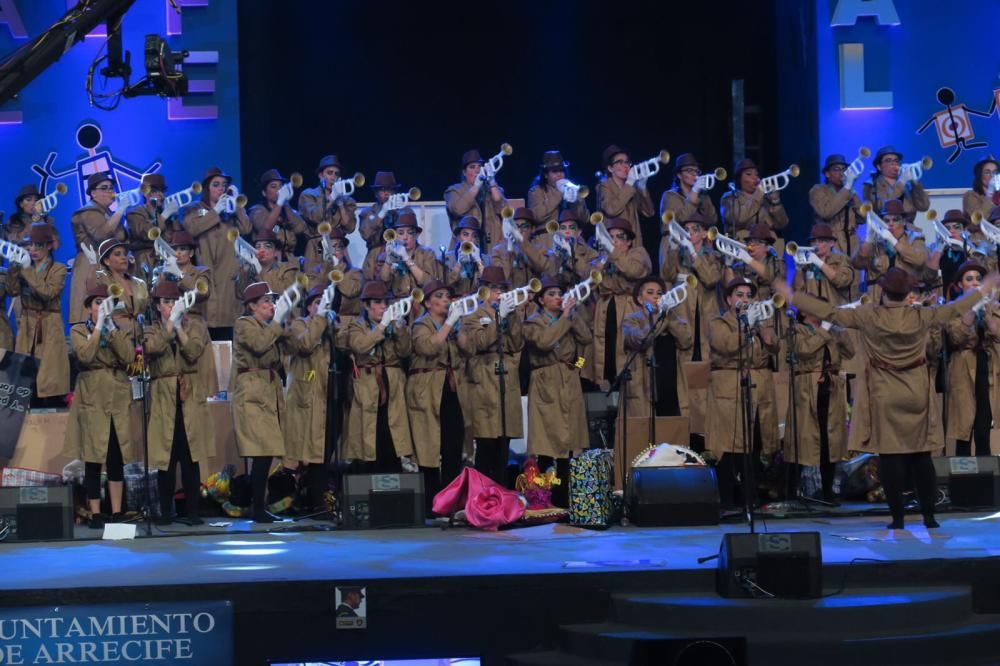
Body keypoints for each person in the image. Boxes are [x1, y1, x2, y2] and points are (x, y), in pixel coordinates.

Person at [772, 267, 1000, 529]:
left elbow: (830, 313)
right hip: (916, 392)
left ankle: (898, 519)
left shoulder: (870, 316)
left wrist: (791, 295)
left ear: (883, 292)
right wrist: (984, 288)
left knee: (891, 456)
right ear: (907, 294)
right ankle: (929, 516)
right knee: (921, 454)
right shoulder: (922, 315)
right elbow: (957, 308)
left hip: (885, 392)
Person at [65, 283, 136, 528]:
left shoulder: (119, 329)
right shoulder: (77, 331)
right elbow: (84, 355)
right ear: (88, 308)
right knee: (93, 456)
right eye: (97, 303)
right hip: (92, 396)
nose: (102, 307)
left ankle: (116, 511)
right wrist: (97, 328)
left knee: (116, 456)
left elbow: (128, 357)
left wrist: (111, 329)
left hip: (116, 395)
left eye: (106, 302)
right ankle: (95, 513)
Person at [707, 278, 780, 509]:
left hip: (758, 387)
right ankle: (728, 501)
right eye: (740, 294)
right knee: (730, 445)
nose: (745, 299)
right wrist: (745, 325)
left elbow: (774, 346)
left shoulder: (759, 319)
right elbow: (725, 345)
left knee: (756, 443)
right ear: (729, 299)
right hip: (730, 386)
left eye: (749, 295)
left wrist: (762, 327)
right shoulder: (719, 322)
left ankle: (752, 499)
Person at [144, 280, 211, 525]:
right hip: (163, 396)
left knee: (190, 456)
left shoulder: (194, 326)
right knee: (166, 458)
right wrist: (169, 326)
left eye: (173, 301)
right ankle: (165, 511)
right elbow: (152, 347)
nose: (170, 306)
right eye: (166, 302)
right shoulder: (151, 329)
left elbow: (193, 352)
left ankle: (193, 512)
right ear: (157, 306)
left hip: (188, 395)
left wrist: (179, 328)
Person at [524, 275, 592, 505]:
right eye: (551, 294)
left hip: (569, 378)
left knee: (570, 440)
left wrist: (577, 368)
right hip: (545, 379)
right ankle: (545, 494)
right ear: (541, 300)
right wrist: (564, 318)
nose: (557, 298)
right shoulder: (533, 322)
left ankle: (565, 496)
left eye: (559, 294)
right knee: (547, 440)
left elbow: (586, 339)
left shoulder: (569, 317)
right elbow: (544, 342)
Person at [457, 265, 524, 485]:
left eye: (502, 289)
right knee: (486, 447)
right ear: (484, 290)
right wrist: (498, 318)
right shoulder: (473, 316)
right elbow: (478, 343)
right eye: (495, 289)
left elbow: (516, 343)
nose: (499, 294)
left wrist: (511, 317)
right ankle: (483, 498)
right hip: (484, 381)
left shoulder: (511, 314)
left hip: (505, 380)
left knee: (503, 447)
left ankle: (503, 498)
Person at [231, 281, 291, 523]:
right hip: (253, 391)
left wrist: (284, 322)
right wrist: (276, 325)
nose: (271, 305)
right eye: (266, 301)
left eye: (272, 301)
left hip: (269, 389)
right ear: (252, 306)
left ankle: (260, 505)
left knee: (267, 452)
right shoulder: (244, 324)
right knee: (261, 451)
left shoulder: (270, 327)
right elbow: (257, 345)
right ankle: (257, 507)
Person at [783, 303, 854, 503]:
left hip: (830, 388)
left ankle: (828, 491)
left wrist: (839, 331)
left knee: (829, 440)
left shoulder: (830, 329)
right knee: (803, 438)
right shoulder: (796, 330)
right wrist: (823, 330)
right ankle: (790, 492)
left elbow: (850, 352)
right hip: (808, 387)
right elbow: (804, 350)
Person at [344, 281, 414, 473]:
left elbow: (404, 351)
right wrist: (382, 327)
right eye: (378, 302)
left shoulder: (393, 324)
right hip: (368, 385)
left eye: (385, 302)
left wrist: (400, 329)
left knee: (392, 430)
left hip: (392, 382)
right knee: (370, 431)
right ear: (366, 305)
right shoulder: (357, 326)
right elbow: (360, 346)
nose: (383, 306)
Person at [407, 279, 467, 503]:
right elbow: (429, 347)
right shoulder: (421, 324)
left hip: (450, 387)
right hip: (427, 388)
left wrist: (457, 325)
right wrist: (449, 324)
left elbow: (468, 348)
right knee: (429, 444)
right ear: (428, 303)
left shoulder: (452, 326)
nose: (445, 300)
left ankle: (451, 498)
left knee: (453, 441)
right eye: (439, 297)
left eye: (447, 297)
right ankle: (431, 499)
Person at [181, 167, 252, 339]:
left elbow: (246, 228)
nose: (221, 188)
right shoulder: (193, 209)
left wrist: (237, 206)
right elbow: (192, 229)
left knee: (228, 330)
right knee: (208, 325)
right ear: (207, 188)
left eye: (224, 185)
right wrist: (216, 211)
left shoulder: (231, 212)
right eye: (216, 184)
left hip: (228, 276)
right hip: (207, 273)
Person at [284, 284, 337, 514]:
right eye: (317, 303)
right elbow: (305, 345)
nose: (323, 307)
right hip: (306, 395)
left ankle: (320, 497)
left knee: (324, 451)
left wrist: (332, 324)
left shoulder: (330, 325)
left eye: (325, 303)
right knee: (305, 450)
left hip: (329, 395)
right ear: (308, 306)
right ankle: (306, 499)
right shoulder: (299, 324)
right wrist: (321, 320)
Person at [7, 224, 70, 406]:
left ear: (49, 246)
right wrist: (13, 269)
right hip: (27, 323)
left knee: (49, 377)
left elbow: (48, 293)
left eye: (38, 245)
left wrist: (26, 271)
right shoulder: (24, 268)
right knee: (26, 376)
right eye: (30, 245)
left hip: (48, 324)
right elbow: (12, 292)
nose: (33, 250)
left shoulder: (58, 268)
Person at [945, 261, 1000, 458]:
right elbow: (956, 338)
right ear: (960, 285)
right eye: (969, 279)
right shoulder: (953, 309)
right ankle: (963, 479)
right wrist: (972, 309)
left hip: (988, 367)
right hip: (963, 370)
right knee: (964, 427)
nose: (975, 283)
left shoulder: (994, 307)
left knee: (983, 426)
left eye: (979, 279)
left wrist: (989, 319)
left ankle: (985, 478)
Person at [590, 217, 653, 386]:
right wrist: (603, 261)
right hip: (605, 306)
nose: (615, 241)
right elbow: (592, 280)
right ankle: (602, 384)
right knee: (605, 349)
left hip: (629, 306)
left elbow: (634, 272)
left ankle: (629, 388)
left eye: (620, 237)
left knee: (625, 349)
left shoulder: (638, 253)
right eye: (611, 237)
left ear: (630, 241)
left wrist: (612, 253)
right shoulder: (603, 257)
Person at [622, 276, 693, 418]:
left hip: (673, 387)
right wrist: (659, 318)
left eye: (659, 293)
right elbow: (640, 340)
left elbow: (686, 341)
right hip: (646, 388)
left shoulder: (671, 318)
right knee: (648, 438)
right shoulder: (632, 319)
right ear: (640, 299)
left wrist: (668, 316)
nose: (656, 296)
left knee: (671, 436)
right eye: (650, 292)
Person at [68, 172, 127, 323]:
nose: (110, 191)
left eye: (111, 188)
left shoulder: (108, 213)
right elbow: (101, 235)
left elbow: (122, 237)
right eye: (104, 188)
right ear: (93, 193)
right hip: (90, 265)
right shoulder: (88, 212)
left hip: (106, 264)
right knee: (89, 312)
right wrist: (120, 211)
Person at [168, 230, 218, 397]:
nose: (178, 253)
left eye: (182, 249)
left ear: (190, 253)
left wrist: (180, 275)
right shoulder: (164, 272)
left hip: (193, 323)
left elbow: (202, 292)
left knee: (199, 373)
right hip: (170, 324)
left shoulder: (201, 271)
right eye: (175, 249)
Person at [851, 199, 928, 302]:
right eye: (886, 220)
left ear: (904, 221)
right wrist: (869, 239)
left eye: (895, 219)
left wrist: (894, 241)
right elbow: (858, 264)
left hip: (906, 298)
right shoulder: (877, 241)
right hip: (878, 298)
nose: (890, 223)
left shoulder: (915, 238)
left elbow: (920, 260)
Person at [298, 155, 359, 270]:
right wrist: (332, 197)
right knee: (317, 285)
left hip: (339, 249)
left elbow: (350, 227)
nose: (333, 177)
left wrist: (340, 203)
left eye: (336, 174)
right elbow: (316, 217)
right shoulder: (308, 195)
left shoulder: (346, 200)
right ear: (321, 175)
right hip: (316, 249)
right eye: (329, 173)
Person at [444, 149, 508, 253]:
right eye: (472, 167)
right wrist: (476, 186)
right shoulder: (454, 190)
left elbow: (505, 212)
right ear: (464, 172)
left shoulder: (492, 189)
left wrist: (492, 182)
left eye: (480, 167)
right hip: (464, 248)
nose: (477, 171)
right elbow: (457, 209)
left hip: (492, 247)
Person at [808, 154, 866, 259]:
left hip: (853, 247)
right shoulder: (817, 190)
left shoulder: (849, 192)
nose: (842, 173)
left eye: (844, 169)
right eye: (836, 169)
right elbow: (826, 212)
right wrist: (847, 188)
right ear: (827, 174)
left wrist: (852, 191)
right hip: (830, 246)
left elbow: (863, 218)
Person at [595, 144, 655, 247]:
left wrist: (643, 188)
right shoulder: (604, 187)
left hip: (634, 245)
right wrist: (629, 184)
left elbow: (649, 212)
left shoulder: (632, 187)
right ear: (610, 168)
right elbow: (611, 209)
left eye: (627, 162)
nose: (626, 166)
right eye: (620, 162)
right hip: (614, 245)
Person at [95, 238, 150, 348]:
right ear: (106, 261)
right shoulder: (101, 280)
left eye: (124, 254)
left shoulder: (140, 283)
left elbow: (147, 311)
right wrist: (92, 264)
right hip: (116, 338)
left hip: (139, 338)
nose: (123, 257)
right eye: (117, 254)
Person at [719, 158, 789, 243]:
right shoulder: (729, 198)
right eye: (749, 174)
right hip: (741, 243)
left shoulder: (764, 198)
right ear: (739, 179)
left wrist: (776, 201)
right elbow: (739, 219)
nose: (755, 178)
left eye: (756, 174)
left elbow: (782, 224)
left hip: (766, 244)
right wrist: (758, 195)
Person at [377, 209, 442, 298]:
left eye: (410, 233)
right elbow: (382, 285)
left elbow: (428, 283)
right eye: (400, 233)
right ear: (395, 235)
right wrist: (388, 262)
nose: (405, 237)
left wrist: (407, 259)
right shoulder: (386, 255)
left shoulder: (427, 253)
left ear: (416, 235)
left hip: (421, 303)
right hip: (395, 303)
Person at [248, 169, 307, 265]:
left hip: (289, 264)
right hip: (266, 264)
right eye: (273, 187)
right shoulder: (257, 210)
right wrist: (280, 202)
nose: (279, 190)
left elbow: (300, 228)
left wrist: (286, 203)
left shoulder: (288, 212)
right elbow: (265, 228)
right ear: (264, 192)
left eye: (280, 186)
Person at [862, 146, 930, 225]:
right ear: (879, 167)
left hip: (909, 231)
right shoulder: (871, 184)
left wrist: (914, 182)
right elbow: (882, 207)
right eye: (888, 161)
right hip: (885, 230)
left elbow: (923, 206)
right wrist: (901, 182)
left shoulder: (907, 183)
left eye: (896, 161)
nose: (894, 164)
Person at [791, 223, 855, 307]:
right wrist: (798, 269)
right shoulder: (807, 264)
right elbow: (797, 291)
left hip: (835, 312)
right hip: (812, 312)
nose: (816, 245)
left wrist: (819, 263)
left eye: (821, 241)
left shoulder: (841, 260)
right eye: (813, 241)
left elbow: (841, 280)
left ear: (831, 243)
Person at [125, 173, 175, 279]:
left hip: (166, 263)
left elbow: (175, 239)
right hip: (144, 263)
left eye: (162, 191)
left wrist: (174, 218)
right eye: (155, 191)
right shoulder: (134, 214)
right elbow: (146, 233)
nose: (161, 195)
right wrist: (165, 215)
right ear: (145, 193)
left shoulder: (166, 214)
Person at [526, 150, 590, 229]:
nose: (559, 174)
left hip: (570, 237)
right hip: (547, 238)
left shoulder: (572, 188)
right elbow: (536, 217)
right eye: (555, 171)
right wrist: (559, 194)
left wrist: (576, 201)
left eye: (561, 171)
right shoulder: (536, 191)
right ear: (546, 175)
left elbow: (585, 219)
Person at [724, 223, 786, 303]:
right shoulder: (740, 267)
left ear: (766, 247)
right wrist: (728, 264)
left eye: (757, 242)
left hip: (772, 311)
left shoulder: (777, 264)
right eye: (749, 241)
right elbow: (730, 288)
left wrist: (749, 260)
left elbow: (770, 276)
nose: (752, 244)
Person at [359, 171, 404, 280]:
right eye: (382, 190)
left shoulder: (403, 211)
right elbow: (366, 235)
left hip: (398, 254)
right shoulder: (367, 212)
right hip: (375, 257)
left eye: (390, 190)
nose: (386, 193)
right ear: (376, 193)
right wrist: (383, 212)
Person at [659, 153, 719, 230]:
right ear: (679, 175)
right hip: (675, 241)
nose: (695, 174)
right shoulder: (670, 196)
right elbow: (668, 225)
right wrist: (694, 192)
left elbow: (712, 221)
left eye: (697, 171)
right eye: (689, 170)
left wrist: (702, 198)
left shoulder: (702, 196)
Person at [924, 209, 978, 296]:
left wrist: (962, 245)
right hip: (943, 294)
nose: (952, 231)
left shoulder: (972, 246)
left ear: (964, 229)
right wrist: (940, 247)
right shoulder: (935, 247)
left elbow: (979, 269)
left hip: (966, 295)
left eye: (956, 227)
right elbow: (929, 276)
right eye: (947, 228)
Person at [446, 216, 487, 296]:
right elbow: (446, 285)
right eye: (465, 234)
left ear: (477, 239)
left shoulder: (485, 259)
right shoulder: (447, 259)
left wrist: (479, 262)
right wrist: (458, 264)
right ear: (458, 237)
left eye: (474, 236)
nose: (470, 239)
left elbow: (488, 286)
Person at [962, 156, 999, 223]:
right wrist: (990, 193)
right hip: (981, 232)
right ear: (980, 175)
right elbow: (977, 221)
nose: (992, 176)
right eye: (987, 172)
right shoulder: (970, 195)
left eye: (995, 172)